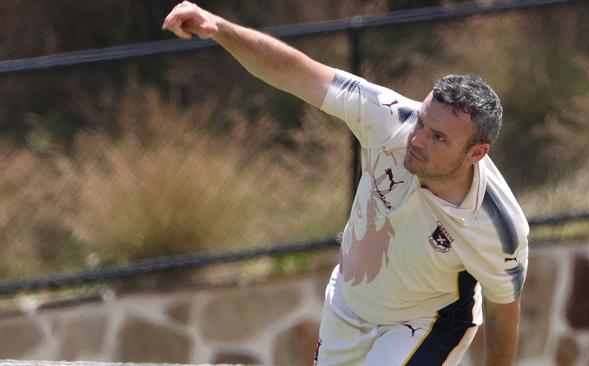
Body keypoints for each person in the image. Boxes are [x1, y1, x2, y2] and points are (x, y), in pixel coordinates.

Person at [163, 2, 529, 365]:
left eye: (439, 138)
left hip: (426, 322)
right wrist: (221, 28)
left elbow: (504, 310)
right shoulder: (387, 118)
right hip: (349, 303)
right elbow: (296, 73)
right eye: (421, 122)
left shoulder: (498, 226)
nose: (417, 139)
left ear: (476, 153)